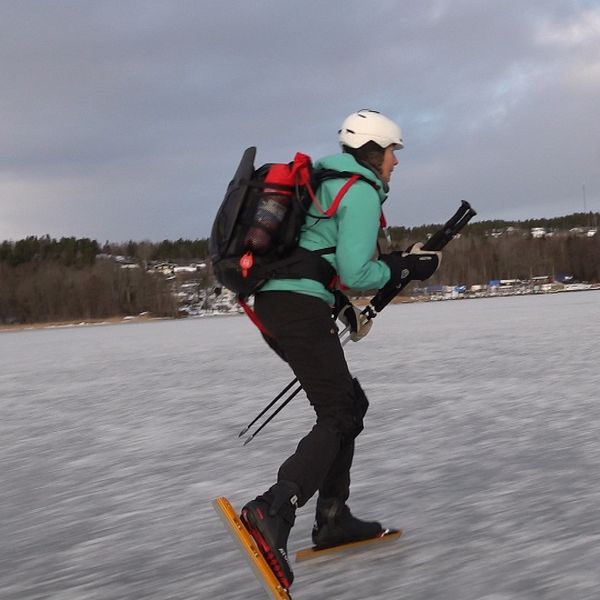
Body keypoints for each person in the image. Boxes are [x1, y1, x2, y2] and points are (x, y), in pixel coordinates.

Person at [240, 109, 441, 590]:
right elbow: (356, 271)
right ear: (375, 149)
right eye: (394, 151)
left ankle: (333, 516)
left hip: (281, 304)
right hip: (297, 306)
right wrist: (402, 269)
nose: (395, 162)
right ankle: (274, 509)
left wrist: (351, 302)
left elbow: (321, 257)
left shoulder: (329, 180)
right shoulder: (362, 190)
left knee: (349, 403)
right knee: (337, 412)